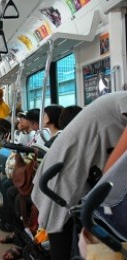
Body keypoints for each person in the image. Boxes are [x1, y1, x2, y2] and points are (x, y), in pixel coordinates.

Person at [31, 92, 127, 260]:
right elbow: (111, 172)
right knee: (63, 238)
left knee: (68, 236)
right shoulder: (124, 99)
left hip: (71, 166)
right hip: (66, 169)